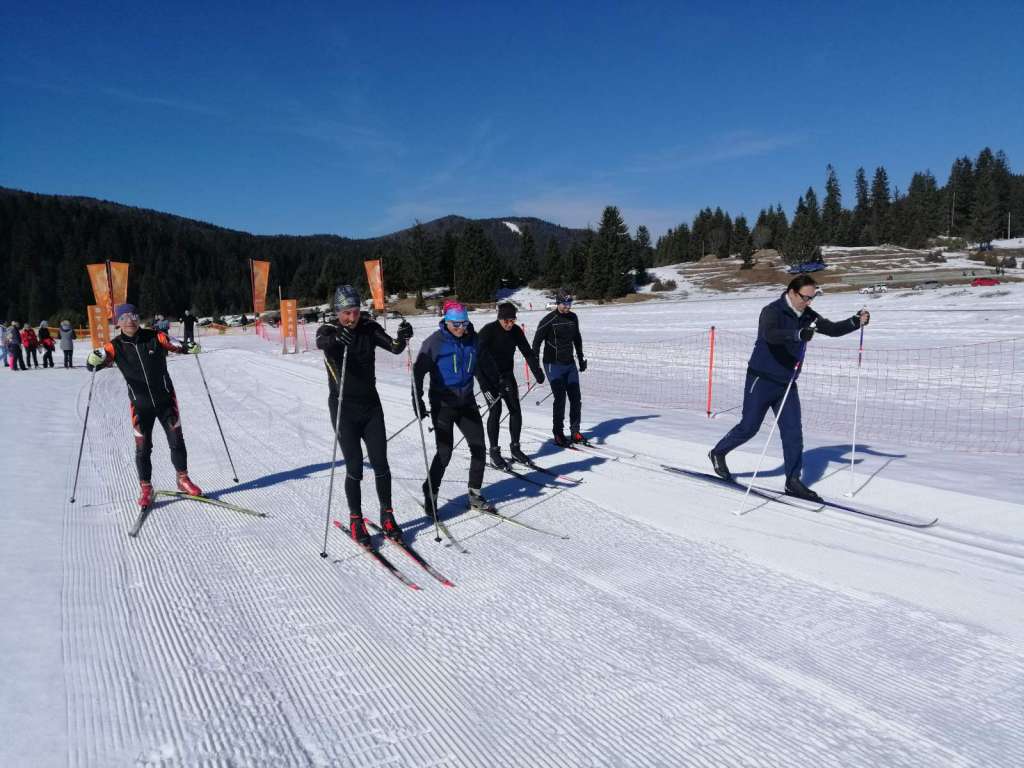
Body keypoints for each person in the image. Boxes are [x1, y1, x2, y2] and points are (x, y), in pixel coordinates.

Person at [708, 275, 870, 502]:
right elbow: (771, 335)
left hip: (787, 383)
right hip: (762, 378)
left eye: (813, 298)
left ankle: (793, 481)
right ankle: (718, 452)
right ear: (792, 293)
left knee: (793, 433)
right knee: (749, 427)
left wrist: (855, 321)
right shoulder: (772, 311)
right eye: (806, 297)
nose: (809, 302)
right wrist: (797, 334)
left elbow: (831, 329)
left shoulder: (808, 316)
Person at [315, 285, 413, 545]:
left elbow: (393, 347)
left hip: (371, 408)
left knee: (381, 464)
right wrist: (339, 339)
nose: (352, 317)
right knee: (355, 467)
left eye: (355, 311)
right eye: (346, 312)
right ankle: (356, 519)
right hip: (343, 408)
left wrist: (403, 337)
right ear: (337, 312)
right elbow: (322, 342)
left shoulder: (369, 328)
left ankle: (387, 516)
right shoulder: (329, 331)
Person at [86, 304, 204, 509]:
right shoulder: (114, 346)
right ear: (117, 322)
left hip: (166, 401)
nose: (130, 320)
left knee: (176, 441)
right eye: (124, 317)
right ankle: (146, 488)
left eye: (133, 316)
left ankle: (183, 479)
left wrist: (189, 346)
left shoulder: (155, 336)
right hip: (140, 406)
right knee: (143, 449)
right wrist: (92, 360)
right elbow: (94, 363)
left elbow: (176, 344)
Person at [413, 300, 500, 517]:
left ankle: (474, 495)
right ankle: (430, 491)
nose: (461, 328)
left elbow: (485, 362)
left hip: (467, 401)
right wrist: (418, 399)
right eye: (456, 325)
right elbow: (418, 372)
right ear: (446, 322)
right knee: (445, 452)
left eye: (464, 323)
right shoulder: (434, 343)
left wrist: (498, 383)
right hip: (442, 404)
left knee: (479, 447)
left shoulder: (473, 339)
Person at [477, 302, 545, 468]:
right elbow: (475, 359)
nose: (509, 324)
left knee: (515, 410)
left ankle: (515, 448)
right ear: (499, 318)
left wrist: (537, 371)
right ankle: (494, 452)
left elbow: (527, 352)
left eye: (512, 320)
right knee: (496, 410)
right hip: (487, 378)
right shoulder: (488, 331)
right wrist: (485, 384)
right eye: (506, 321)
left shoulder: (515, 331)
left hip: (506, 375)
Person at [531, 288, 587, 446]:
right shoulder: (548, 319)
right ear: (557, 303)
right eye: (564, 304)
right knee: (560, 398)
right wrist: (536, 368)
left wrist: (581, 358)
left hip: (570, 364)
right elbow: (536, 344)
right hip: (552, 364)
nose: (567, 307)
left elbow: (577, 339)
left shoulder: (573, 318)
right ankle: (558, 433)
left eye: (569, 303)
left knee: (576, 398)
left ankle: (575, 431)